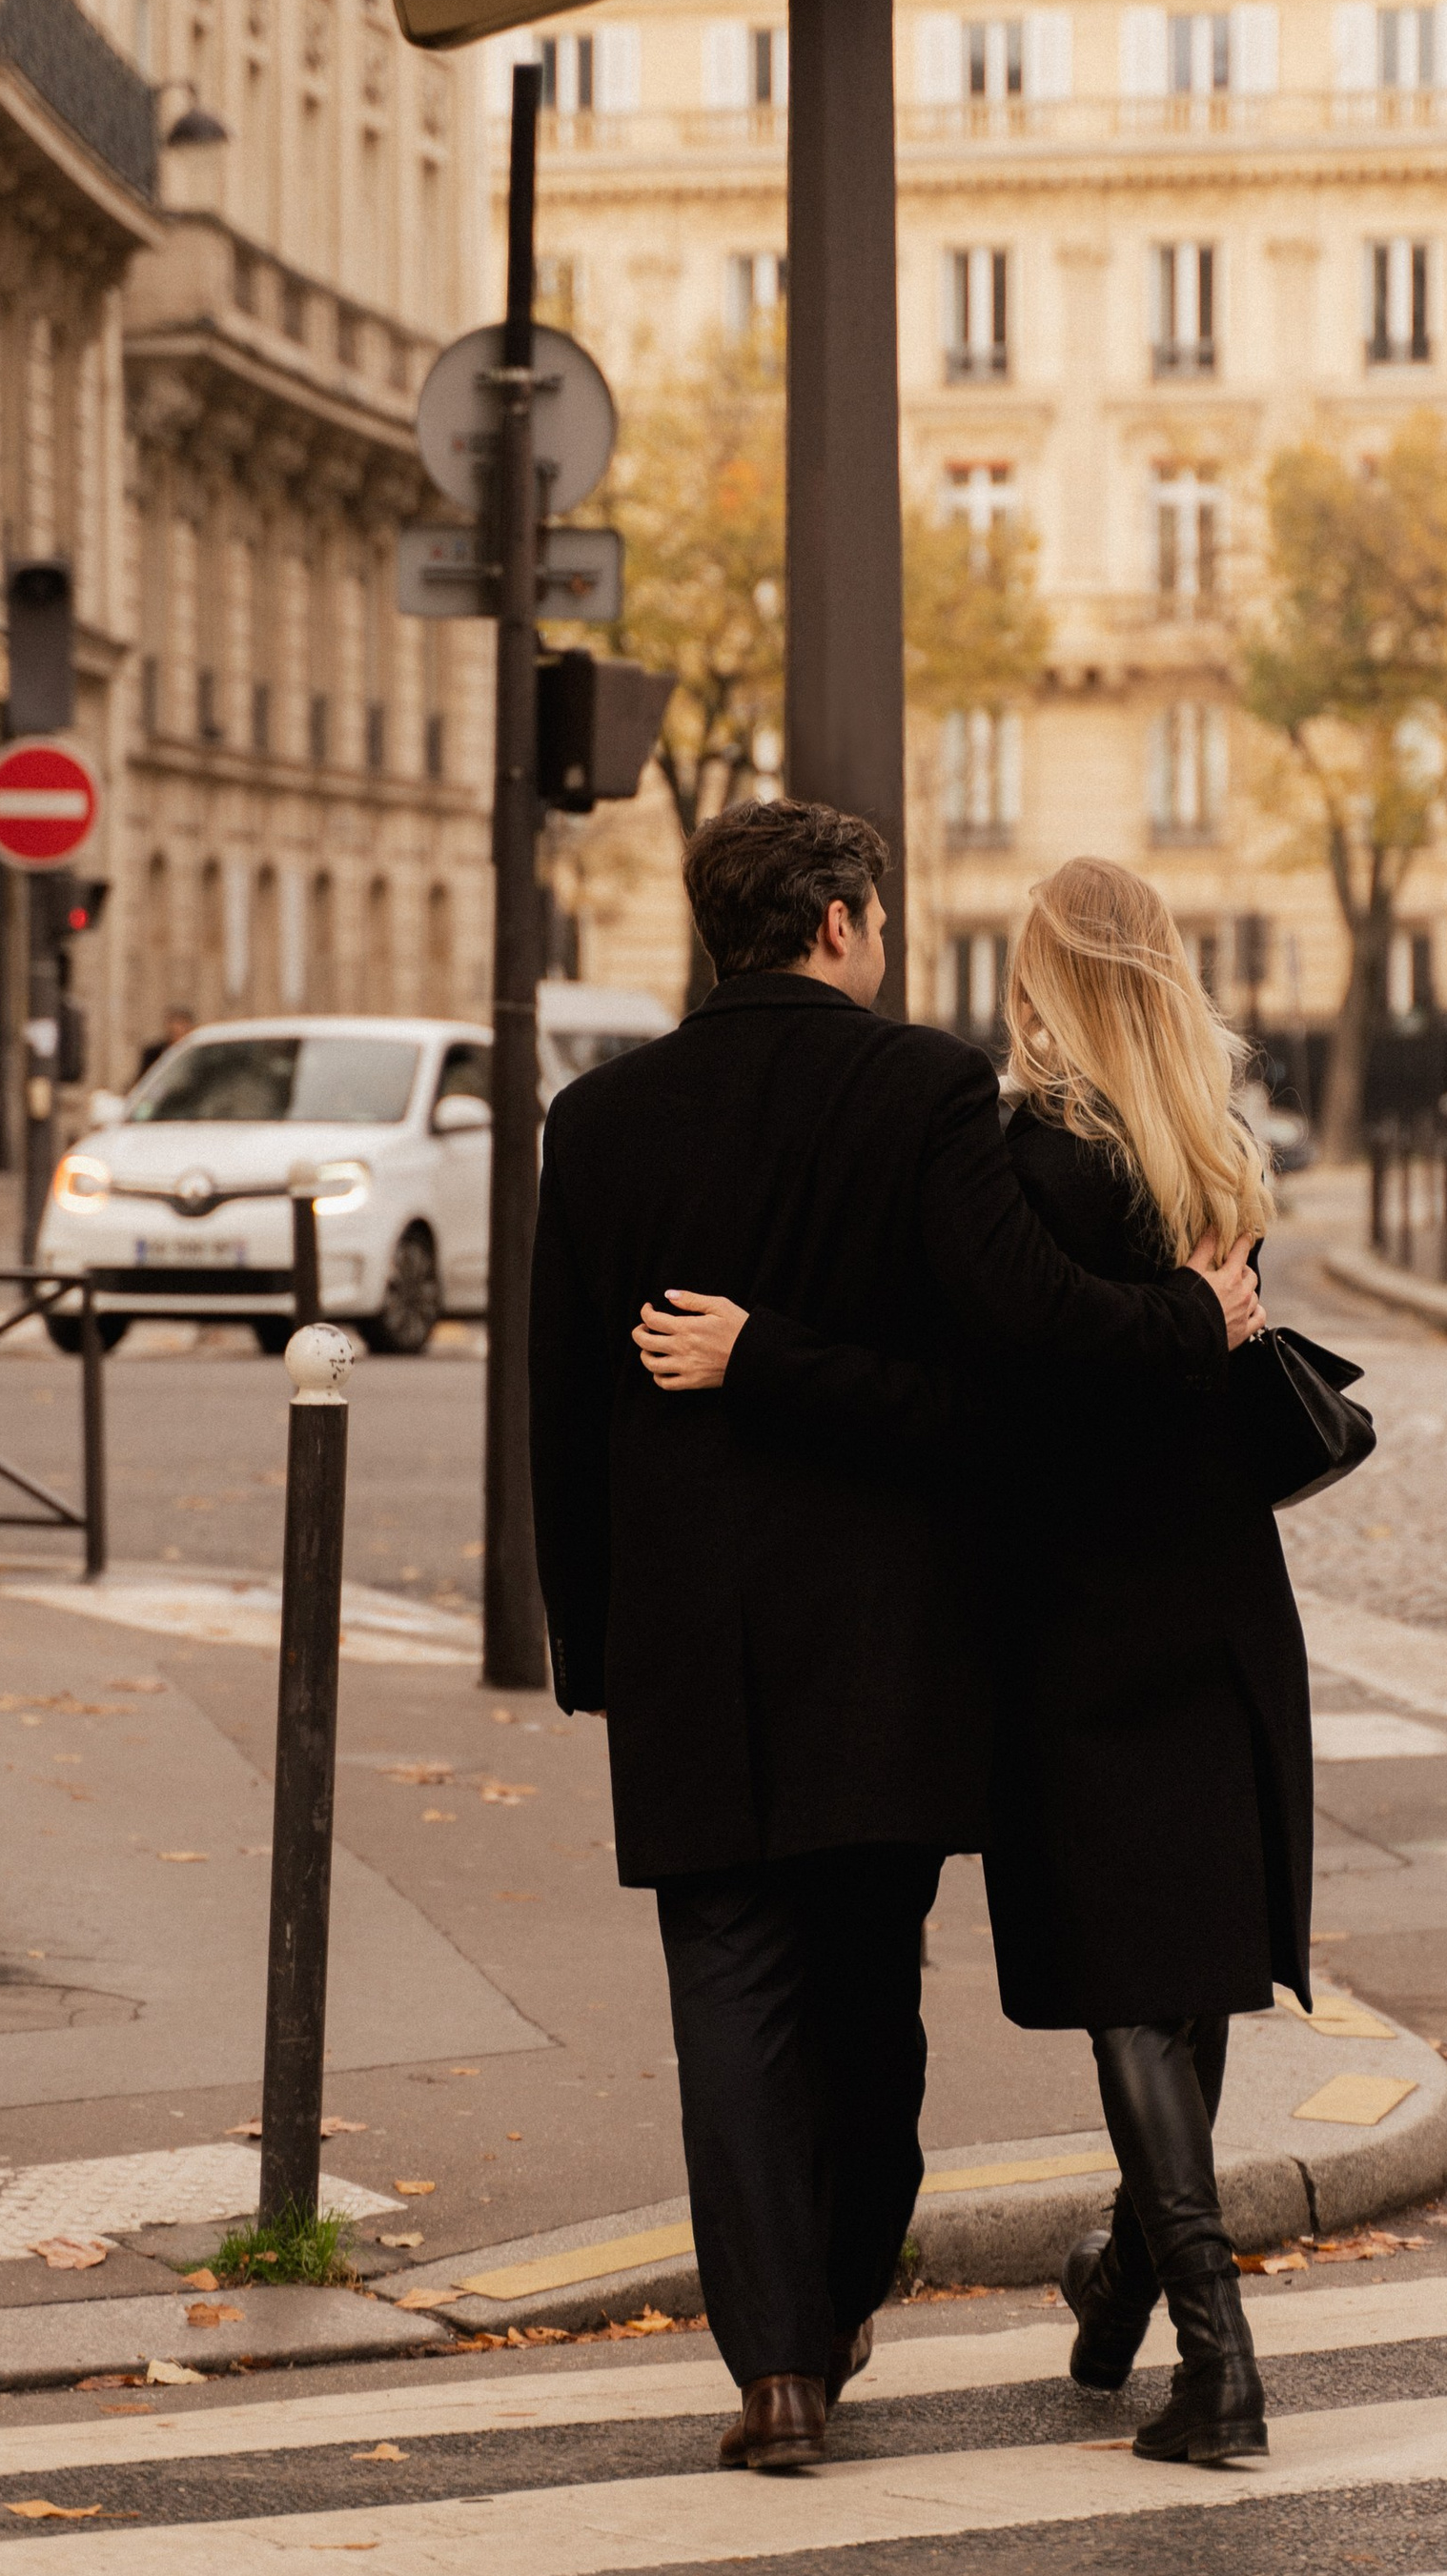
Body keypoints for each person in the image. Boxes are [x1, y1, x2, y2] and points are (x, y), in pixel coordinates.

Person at [528, 801, 1260, 2477]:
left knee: (726, 1999)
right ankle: (851, 2279)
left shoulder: (600, 1119)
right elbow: (987, 1384)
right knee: (866, 1999)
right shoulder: (923, 1095)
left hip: (691, 1645)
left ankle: (779, 2368)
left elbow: (560, 1410)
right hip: (885, 1635)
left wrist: (597, 1642)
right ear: (847, 920)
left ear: (721, 933)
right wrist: (1180, 1325)